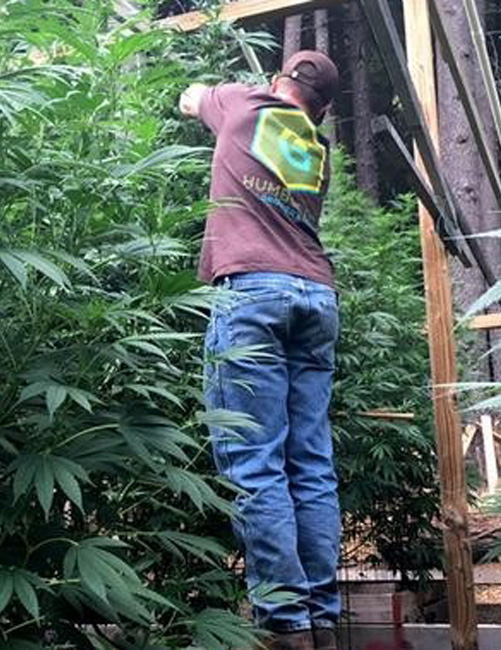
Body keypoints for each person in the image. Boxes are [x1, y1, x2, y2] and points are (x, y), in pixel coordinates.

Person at [179, 51, 343, 650]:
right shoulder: (317, 152)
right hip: (316, 295)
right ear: (322, 108)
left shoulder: (245, 103)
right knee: (310, 465)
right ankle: (321, 619)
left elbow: (190, 96)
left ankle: (283, 624)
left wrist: (236, 88)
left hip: (252, 291)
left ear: (279, 82)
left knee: (255, 463)